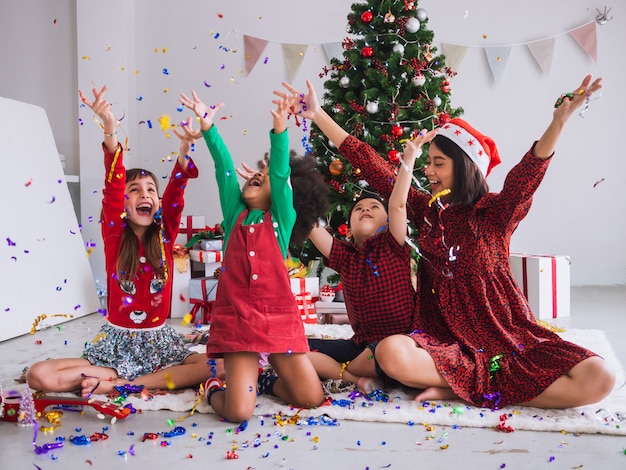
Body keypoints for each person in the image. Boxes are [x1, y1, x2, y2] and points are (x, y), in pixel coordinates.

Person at [285, 75, 615, 410]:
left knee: (600, 377)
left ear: (466, 166)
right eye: (427, 162)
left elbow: (526, 175)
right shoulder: (426, 212)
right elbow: (372, 164)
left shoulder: (495, 213)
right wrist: (318, 115)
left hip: (504, 336)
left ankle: (467, 388)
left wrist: (558, 122)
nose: (427, 170)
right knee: (390, 353)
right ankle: (476, 385)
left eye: (437, 163)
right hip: (445, 344)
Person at [27, 85, 215, 397]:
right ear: (124, 207)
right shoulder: (114, 234)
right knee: (39, 375)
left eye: (151, 189)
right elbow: (112, 187)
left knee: (218, 366)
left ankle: (123, 386)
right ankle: (117, 379)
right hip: (117, 347)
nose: (145, 195)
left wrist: (183, 152)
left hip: (159, 346)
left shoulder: (165, 234)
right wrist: (111, 130)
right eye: (136, 190)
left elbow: (175, 196)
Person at [178, 87, 328, 423]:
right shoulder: (235, 215)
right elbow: (224, 168)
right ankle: (216, 387)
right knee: (238, 413)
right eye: (253, 177)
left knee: (311, 398)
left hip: (279, 321)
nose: (256, 177)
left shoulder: (281, 220)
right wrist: (208, 128)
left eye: (263, 177)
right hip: (238, 322)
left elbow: (279, 172)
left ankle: (266, 381)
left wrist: (278, 129)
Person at [305, 124, 433, 392]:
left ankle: (353, 372)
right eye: (359, 208)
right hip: (361, 344)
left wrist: (408, 161)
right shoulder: (344, 255)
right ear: (348, 229)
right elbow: (310, 226)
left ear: (388, 222)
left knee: (373, 356)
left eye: (375, 207)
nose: (365, 208)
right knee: (296, 347)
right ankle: (357, 378)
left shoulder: (394, 244)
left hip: (399, 342)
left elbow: (398, 203)